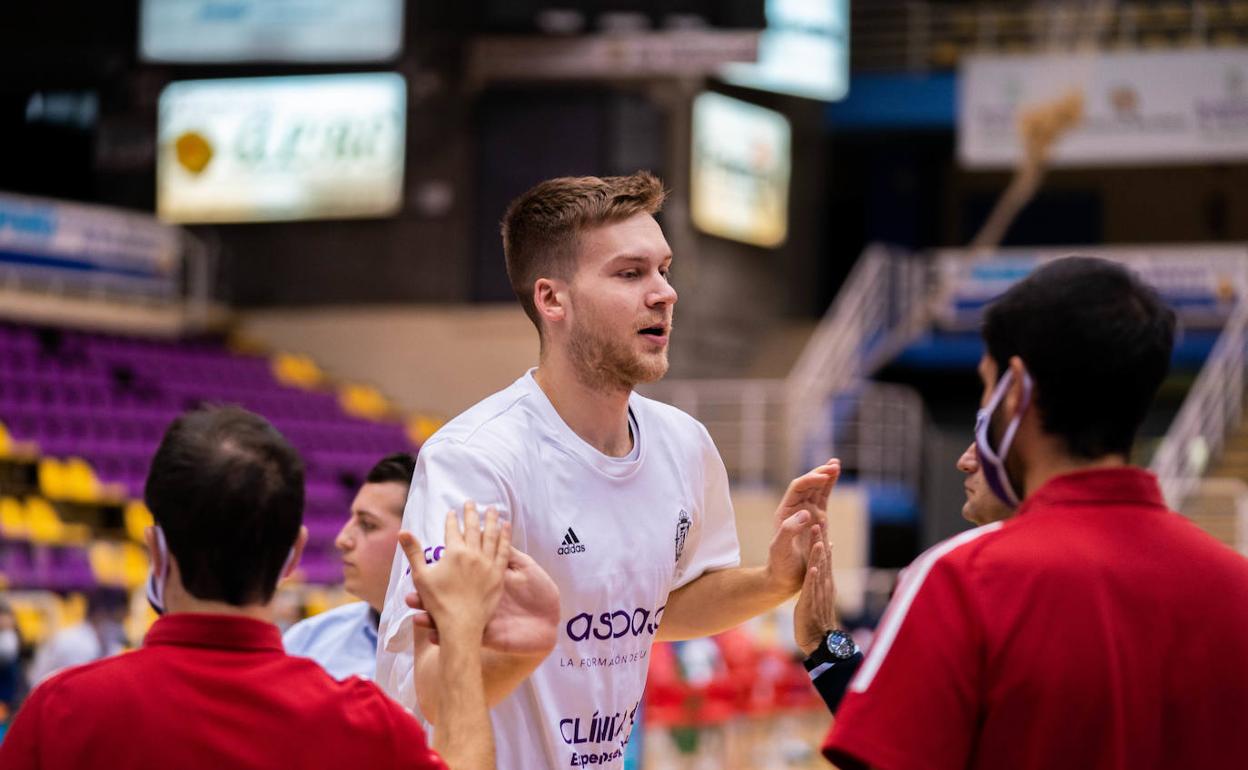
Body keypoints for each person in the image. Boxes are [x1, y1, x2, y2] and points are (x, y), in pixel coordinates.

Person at [375, 172, 839, 770]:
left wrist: (774, 580)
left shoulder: (683, 444)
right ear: (552, 300)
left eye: (664, 270)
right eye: (630, 273)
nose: (664, 293)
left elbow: (655, 610)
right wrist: (527, 647)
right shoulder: (476, 461)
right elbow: (434, 691)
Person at [820, 256, 1248, 769]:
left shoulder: (962, 579)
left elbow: (886, 751)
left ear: (1015, 389)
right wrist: (824, 643)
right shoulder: (1236, 586)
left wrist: (828, 648)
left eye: (984, 386)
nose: (966, 454)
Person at [0, 405, 508, 770]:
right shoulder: (361, 721)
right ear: (292, 555)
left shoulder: (60, 712)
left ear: (155, 551)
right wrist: (461, 632)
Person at [792, 443, 1014, 713]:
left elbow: (892, 736)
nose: (965, 460)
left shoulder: (950, 571)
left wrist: (822, 640)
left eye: (988, 434)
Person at [284, 453, 414, 680]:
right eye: (351, 519)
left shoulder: (474, 651)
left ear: (419, 534)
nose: (342, 539)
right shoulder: (305, 643)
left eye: (367, 524)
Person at [26, 586, 128, 686]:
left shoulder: (111, 646)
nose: (120, 628)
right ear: (100, 615)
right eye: (117, 621)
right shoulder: (71, 642)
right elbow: (74, 687)